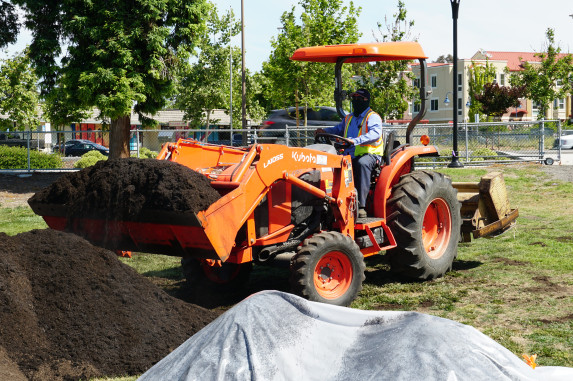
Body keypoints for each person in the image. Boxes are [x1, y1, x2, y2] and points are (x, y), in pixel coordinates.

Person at [316, 89, 384, 218]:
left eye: (358, 99)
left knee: (361, 164)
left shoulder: (372, 116)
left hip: (370, 154)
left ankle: (361, 206)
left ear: (365, 100)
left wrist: (355, 141)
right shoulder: (349, 118)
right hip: (349, 153)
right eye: (354, 98)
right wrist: (324, 130)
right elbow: (338, 130)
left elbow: (375, 134)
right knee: (330, 162)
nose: (355, 101)